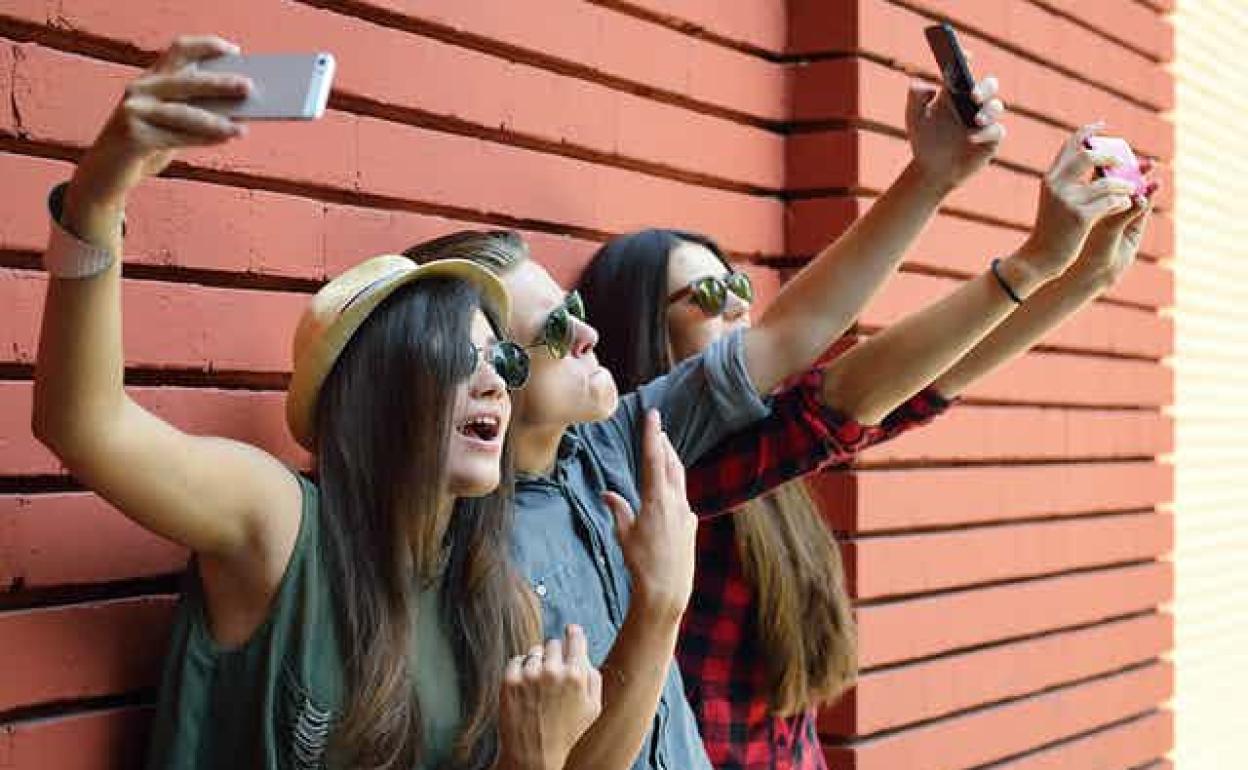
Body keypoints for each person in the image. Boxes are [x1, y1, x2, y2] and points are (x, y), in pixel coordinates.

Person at [400, 72, 1019, 770]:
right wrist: (661, 599)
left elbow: (794, 331)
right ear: (489, 369)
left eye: (574, 312)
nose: (585, 334)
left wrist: (930, 180)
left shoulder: (614, 443)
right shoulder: (464, 550)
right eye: (553, 330)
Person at [30, 35, 607, 770]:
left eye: (502, 359)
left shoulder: (500, 606)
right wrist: (98, 197)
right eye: (456, 360)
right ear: (380, 392)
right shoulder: (280, 527)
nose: (495, 382)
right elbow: (83, 424)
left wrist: (540, 756)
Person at [576, 122, 1157, 769]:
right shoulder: (655, 473)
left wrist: (1084, 278)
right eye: (707, 296)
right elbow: (842, 400)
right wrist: (1035, 263)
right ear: (639, 331)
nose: (738, 307)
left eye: (738, 286)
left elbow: (929, 383)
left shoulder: (758, 463)